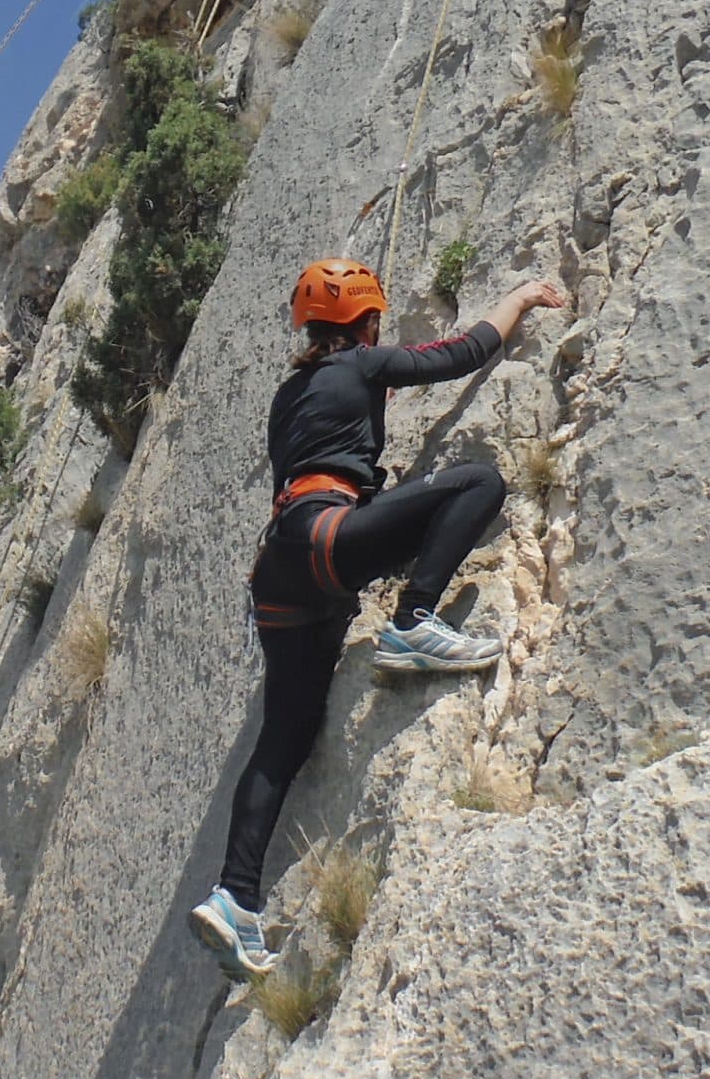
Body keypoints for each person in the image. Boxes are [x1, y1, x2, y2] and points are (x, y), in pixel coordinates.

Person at [188, 257, 567, 980]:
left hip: (282, 571)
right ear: (364, 322)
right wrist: (519, 296)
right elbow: (461, 354)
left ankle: (234, 898)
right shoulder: (363, 364)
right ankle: (414, 620)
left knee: (285, 735)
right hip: (328, 539)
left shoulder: (289, 395)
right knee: (480, 481)